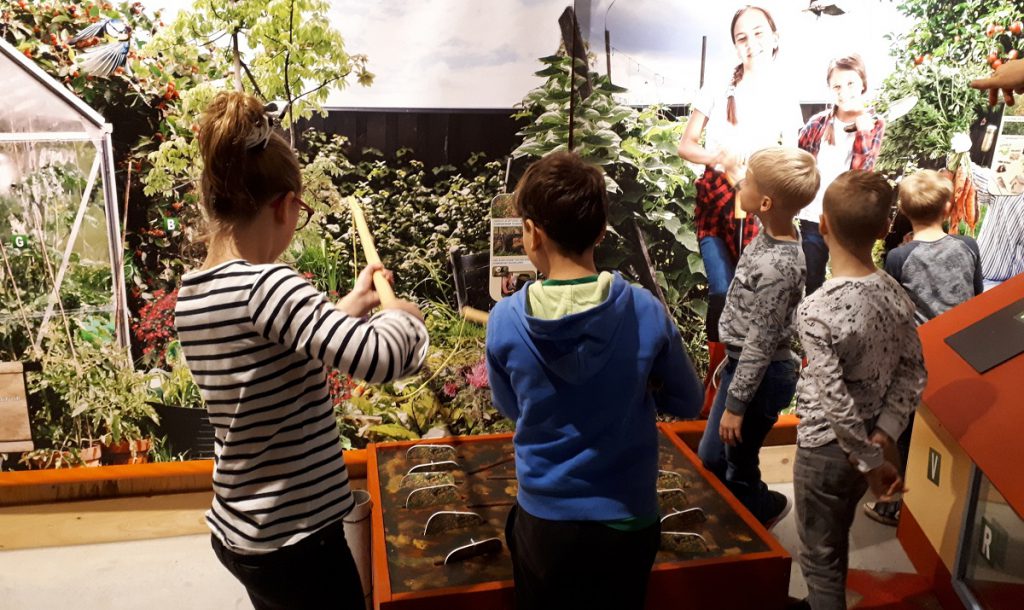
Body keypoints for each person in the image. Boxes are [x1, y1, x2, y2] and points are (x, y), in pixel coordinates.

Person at [175, 91, 428, 610]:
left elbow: (281, 348)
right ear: (286, 205)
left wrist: (351, 304)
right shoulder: (268, 285)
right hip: (299, 538)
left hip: (244, 530)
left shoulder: (195, 294)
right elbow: (381, 359)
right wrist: (405, 319)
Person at [486, 151, 703, 610]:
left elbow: (511, 408)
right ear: (602, 230)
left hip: (545, 519)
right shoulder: (645, 310)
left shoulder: (504, 320)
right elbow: (688, 400)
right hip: (627, 518)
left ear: (532, 232)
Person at [793, 170, 926, 610]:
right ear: (886, 228)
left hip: (825, 450)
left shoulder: (816, 309)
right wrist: (884, 435)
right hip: (870, 439)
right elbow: (913, 370)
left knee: (820, 558)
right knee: (836, 539)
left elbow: (832, 397)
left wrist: (869, 460)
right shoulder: (896, 294)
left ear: (823, 225)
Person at [677, 5, 804, 411]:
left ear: (775, 37)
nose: (751, 43)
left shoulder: (785, 91)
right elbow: (686, 145)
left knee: (753, 293)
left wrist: (759, 178)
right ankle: (715, 389)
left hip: (758, 199)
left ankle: (746, 387)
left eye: (759, 33)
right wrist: (720, 158)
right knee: (721, 289)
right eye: (742, 37)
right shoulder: (718, 85)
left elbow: (791, 155)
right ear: (735, 45)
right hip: (716, 197)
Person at [696, 147, 819, 528]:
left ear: (765, 203)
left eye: (746, 181)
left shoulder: (778, 266)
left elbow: (761, 342)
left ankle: (761, 509)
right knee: (721, 457)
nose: (739, 185)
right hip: (747, 369)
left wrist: (735, 405)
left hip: (760, 376)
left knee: (732, 459)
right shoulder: (772, 233)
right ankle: (745, 510)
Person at [865, 170, 984, 527]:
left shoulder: (899, 257)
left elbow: (892, 311)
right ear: (948, 208)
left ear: (903, 209)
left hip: (916, 357)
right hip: (960, 352)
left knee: (904, 429)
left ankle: (895, 505)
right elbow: (977, 297)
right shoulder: (969, 246)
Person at [798, 54, 885, 294]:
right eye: (836, 86)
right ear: (829, 88)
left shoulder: (875, 124)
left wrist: (863, 133)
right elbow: (798, 162)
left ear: (863, 83)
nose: (844, 92)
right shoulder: (817, 123)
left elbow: (862, 176)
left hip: (847, 217)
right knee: (812, 281)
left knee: (847, 281)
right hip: (813, 216)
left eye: (850, 84)